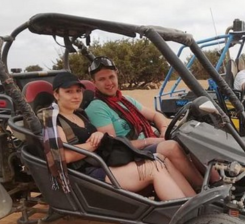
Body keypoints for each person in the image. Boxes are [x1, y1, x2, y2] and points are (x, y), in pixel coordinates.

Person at [45, 71, 195, 201]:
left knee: (162, 159)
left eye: (78, 91)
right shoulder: (55, 122)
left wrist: (97, 134)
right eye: (69, 92)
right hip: (88, 172)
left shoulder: (80, 114)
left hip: (104, 161)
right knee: (153, 168)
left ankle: (196, 204)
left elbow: (96, 136)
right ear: (56, 94)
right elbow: (65, 156)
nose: (76, 96)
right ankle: (186, 215)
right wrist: (93, 144)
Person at [84, 56, 208, 189]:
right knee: (171, 147)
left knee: (190, 138)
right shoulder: (96, 107)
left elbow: (155, 115)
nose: (109, 82)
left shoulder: (125, 100)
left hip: (148, 142)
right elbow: (114, 145)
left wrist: (164, 129)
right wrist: (148, 141)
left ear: (117, 76)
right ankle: (201, 187)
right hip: (130, 152)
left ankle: (215, 180)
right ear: (95, 83)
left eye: (111, 77)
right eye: (102, 79)